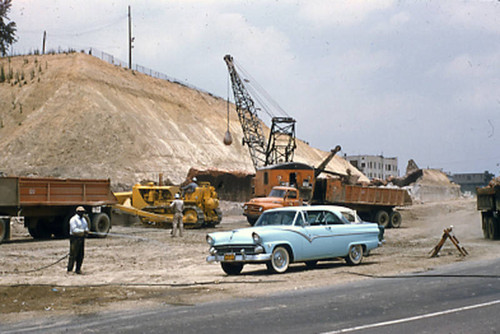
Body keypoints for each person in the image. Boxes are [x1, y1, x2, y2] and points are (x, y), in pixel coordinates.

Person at [67, 206, 89, 274]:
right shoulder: (73, 219)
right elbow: (74, 230)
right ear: (77, 212)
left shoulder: (84, 220)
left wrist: (86, 231)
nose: (82, 213)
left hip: (81, 238)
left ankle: (78, 269)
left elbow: (86, 227)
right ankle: (70, 270)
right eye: (80, 212)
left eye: (83, 212)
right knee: (73, 254)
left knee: (81, 254)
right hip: (75, 238)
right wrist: (83, 231)